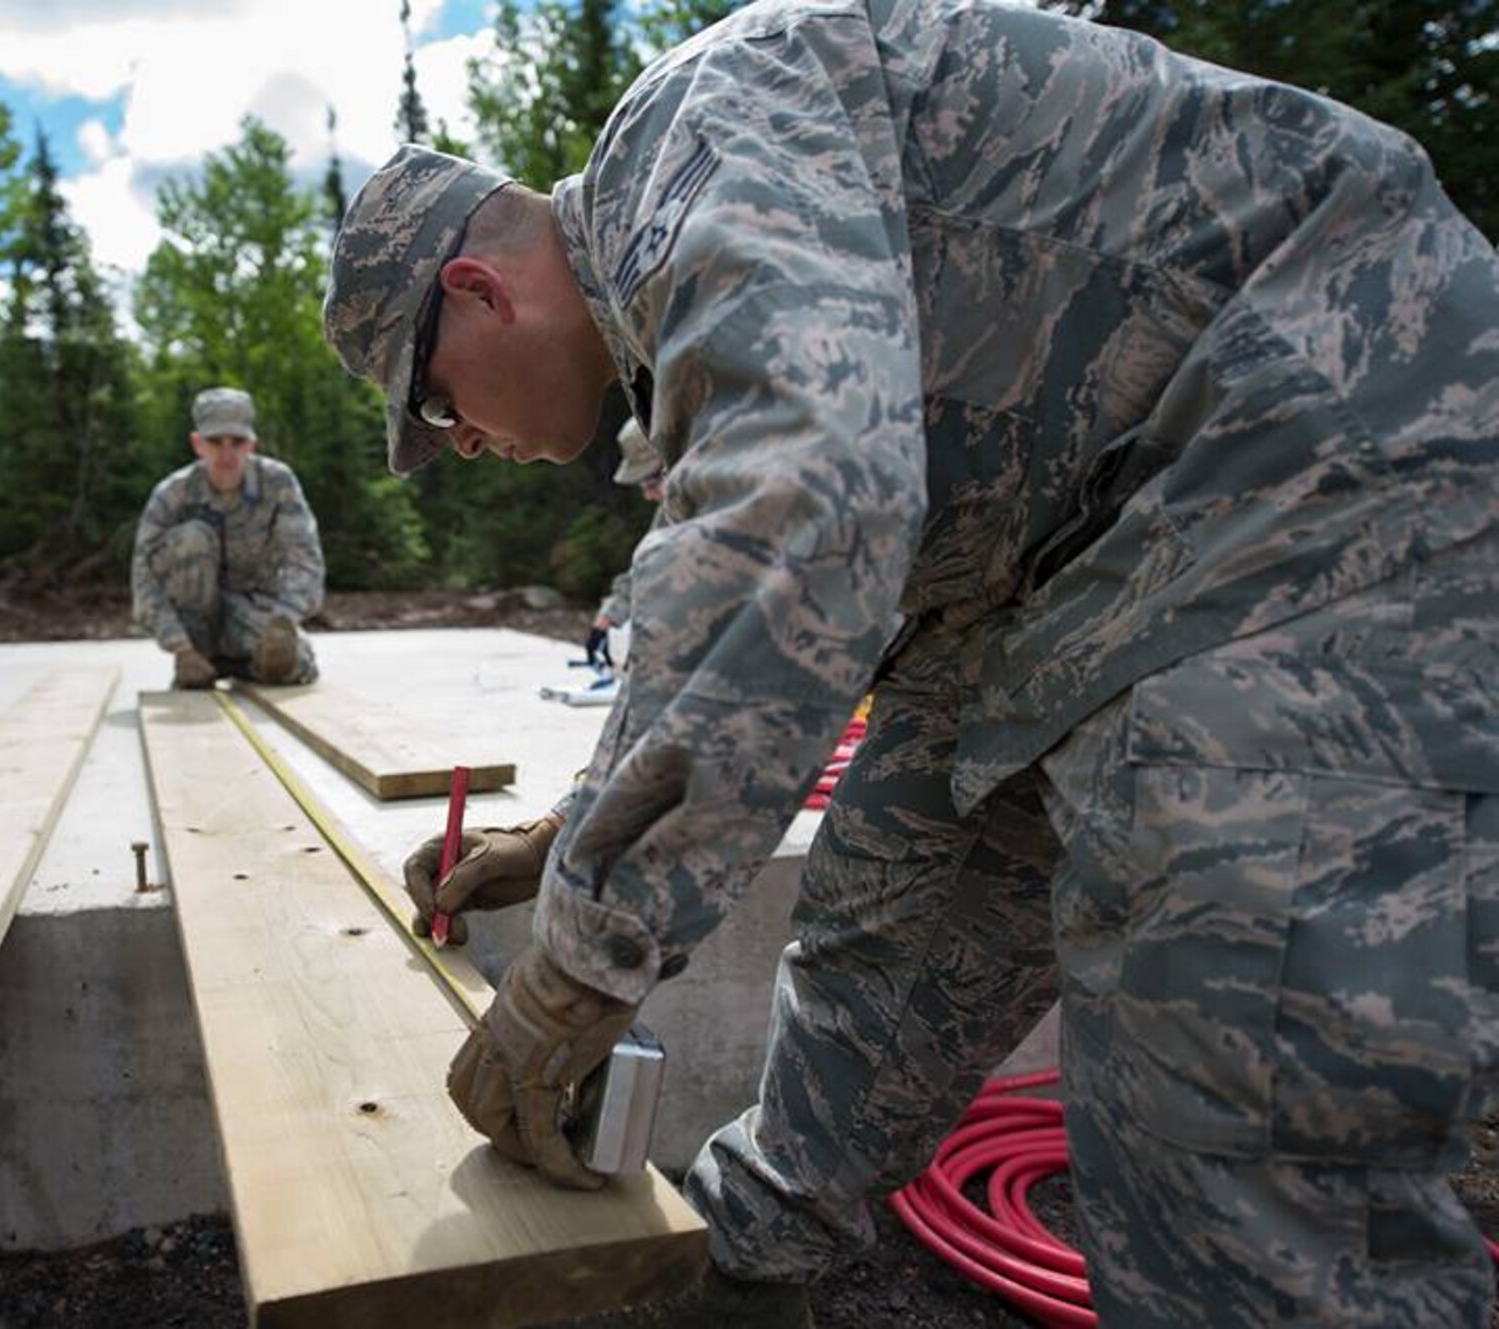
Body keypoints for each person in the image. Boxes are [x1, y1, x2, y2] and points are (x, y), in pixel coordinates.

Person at [322, 1, 1499, 1325]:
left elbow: (802, 514)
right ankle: (753, 1253)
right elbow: (764, 583)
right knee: (888, 889)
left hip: (1322, 449)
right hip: (1076, 559)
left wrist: (579, 967)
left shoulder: (687, 136)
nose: (462, 444)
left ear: (477, 293)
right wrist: (575, 831)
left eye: (438, 408)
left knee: (1225, 1109)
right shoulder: (686, 293)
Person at [131, 387, 325, 688]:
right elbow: (144, 579)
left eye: (237, 441)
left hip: (253, 613)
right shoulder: (172, 494)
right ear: (197, 444)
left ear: (252, 444)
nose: (227, 453)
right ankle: (200, 663)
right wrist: (180, 647)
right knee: (191, 537)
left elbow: (306, 560)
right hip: (195, 634)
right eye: (215, 441)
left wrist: (283, 623)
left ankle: (246, 663)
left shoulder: (278, 483)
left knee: (295, 663)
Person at [584, 418, 667, 672]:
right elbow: (648, 564)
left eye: (652, 480)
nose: (648, 494)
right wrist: (608, 618)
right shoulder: (675, 507)